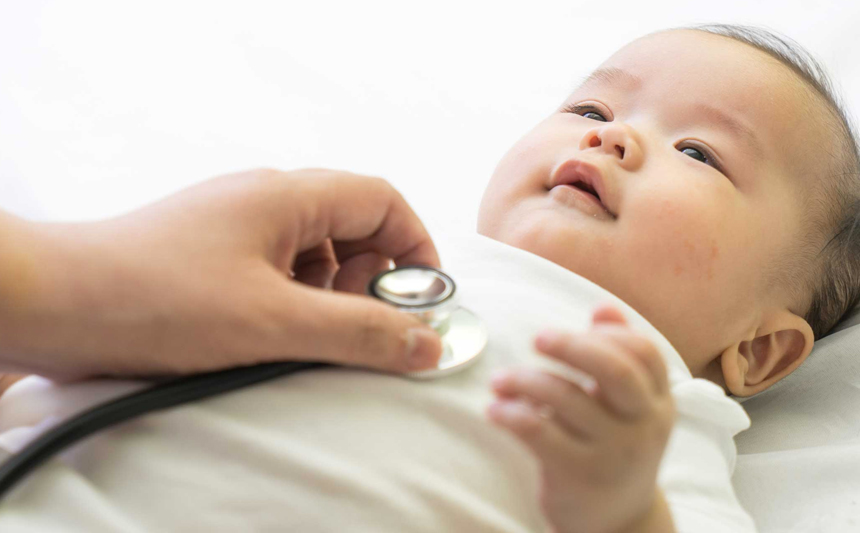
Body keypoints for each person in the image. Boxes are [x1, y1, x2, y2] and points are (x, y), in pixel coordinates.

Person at [1, 22, 858, 533]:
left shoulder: (656, 421)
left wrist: (624, 510)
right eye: (592, 109)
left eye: (700, 152)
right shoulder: (369, 262)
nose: (611, 138)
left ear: (760, 351)